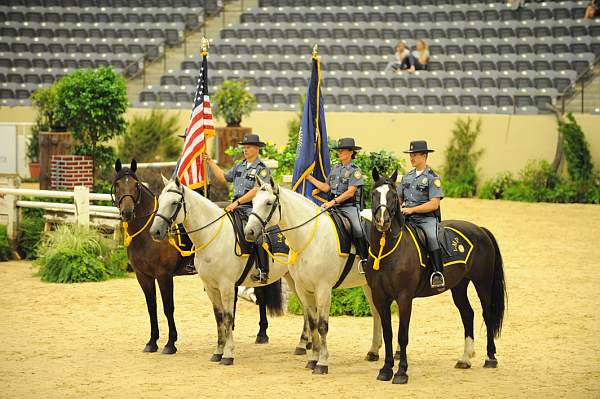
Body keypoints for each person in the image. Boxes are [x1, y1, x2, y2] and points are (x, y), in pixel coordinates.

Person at [202, 134, 272, 283]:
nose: (245, 150)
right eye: (244, 147)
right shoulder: (240, 166)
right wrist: (209, 162)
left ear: (256, 149)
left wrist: (237, 203)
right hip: (235, 205)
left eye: (248, 147)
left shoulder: (262, 169)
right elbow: (222, 177)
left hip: (252, 207)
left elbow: (256, 190)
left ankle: (263, 271)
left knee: (256, 233)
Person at [306, 137, 369, 273]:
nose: (339, 153)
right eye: (339, 150)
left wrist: (333, 202)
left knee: (358, 229)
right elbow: (326, 187)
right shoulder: (335, 169)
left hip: (348, 207)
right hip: (333, 206)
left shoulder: (355, 171)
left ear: (351, 152)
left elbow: (350, 192)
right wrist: (309, 178)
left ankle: (365, 259)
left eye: (343, 150)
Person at [397, 140, 445, 290]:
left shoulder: (432, 178)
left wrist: (412, 209)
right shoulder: (407, 177)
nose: (412, 158)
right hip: (407, 217)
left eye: (415, 155)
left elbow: (434, 204)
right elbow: (399, 199)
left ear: (425, 156)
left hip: (426, 219)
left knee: (431, 237)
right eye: (411, 155)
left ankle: (438, 273)